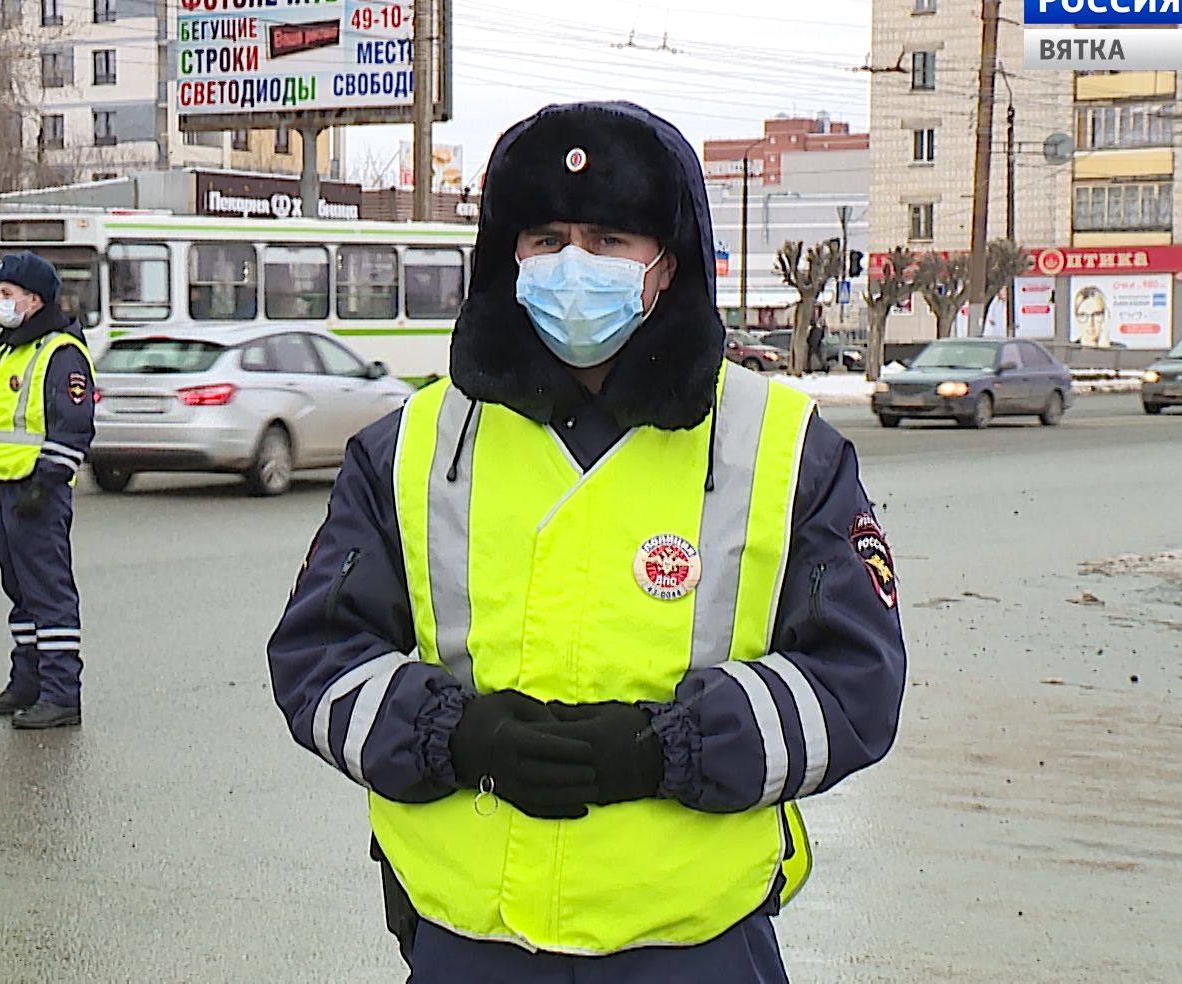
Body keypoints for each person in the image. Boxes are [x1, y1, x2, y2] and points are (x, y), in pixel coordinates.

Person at [266, 102, 907, 982]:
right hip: (468, 941)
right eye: (546, 239)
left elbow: (857, 686)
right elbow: (318, 661)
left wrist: (671, 749)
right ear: (509, 257)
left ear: (665, 267)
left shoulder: (785, 449)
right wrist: (456, 737)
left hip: (697, 943)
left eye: (608, 240)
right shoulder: (411, 444)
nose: (574, 266)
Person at [0, 252, 95, 730]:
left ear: (34, 299)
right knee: (20, 594)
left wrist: (45, 483)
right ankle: (28, 682)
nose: (0, 303)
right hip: (2, 491)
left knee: (49, 594)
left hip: (36, 493)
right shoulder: (6, 352)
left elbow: (74, 427)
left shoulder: (61, 353)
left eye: (6, 295)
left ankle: (62, 694)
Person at [806, 308, 828, 374]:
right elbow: (822, 336)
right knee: (819, 357)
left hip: (812, 344)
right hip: (817, 344)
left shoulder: (812, 330)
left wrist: (809, 342)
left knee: (809, 357)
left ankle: (809, 368)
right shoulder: (818, 330)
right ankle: (824, 367)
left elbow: (808, 338)